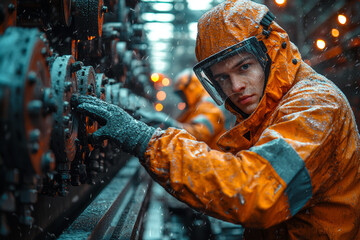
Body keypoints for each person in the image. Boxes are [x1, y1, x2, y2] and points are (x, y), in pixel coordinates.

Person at [73, 0, 360, 239]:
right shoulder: (265, 111)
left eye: (244, 66)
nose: (235, 87)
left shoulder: (315, 105)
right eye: (222, 78)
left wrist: (147, 140)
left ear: (271, 53)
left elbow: (256, 191)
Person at [136, 68, 235, 150]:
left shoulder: (208, 104)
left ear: (191, 87)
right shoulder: (196, 107)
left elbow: (200, 135)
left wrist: (171, 125)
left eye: (182, 94)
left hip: (213, 159)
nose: (182, 98)